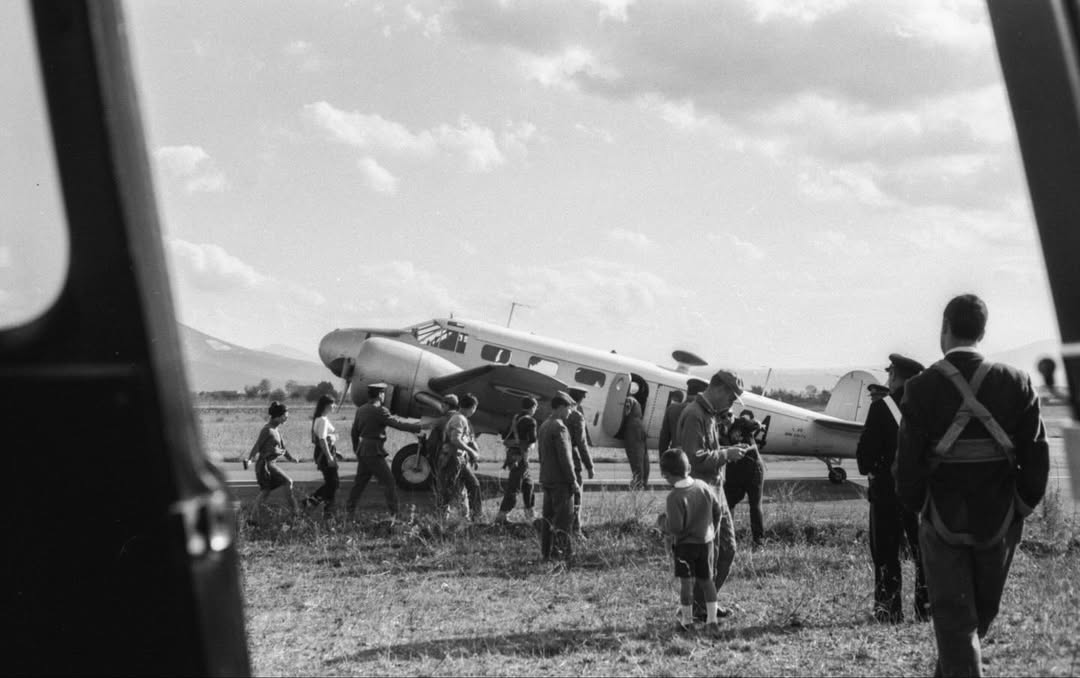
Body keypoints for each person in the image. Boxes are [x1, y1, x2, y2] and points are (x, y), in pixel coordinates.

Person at [895, 294, 1050, 676]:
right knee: (975, 619)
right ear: (983, 331)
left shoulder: (920, 388)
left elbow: (908, 467)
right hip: (1000, 519)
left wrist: (921, 507)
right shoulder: (1017, 382)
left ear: (944, 328)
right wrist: (1021, 507)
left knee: (956, 623)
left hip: (942, 517)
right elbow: (1036, 457)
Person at [856, 354, 929, 623]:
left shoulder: (881, 407)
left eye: (890, 374)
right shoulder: (928, 407)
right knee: (924, 553)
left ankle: (889, 611)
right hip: (920, 492)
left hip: (887, 491)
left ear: (896, 377)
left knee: (886, 552)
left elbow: (864, 458)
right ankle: (927, 609)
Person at [675, 369, 749, 620]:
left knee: (726, 549)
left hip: (716, 490)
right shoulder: (695, 415)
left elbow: (707, 451)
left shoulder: (708, 415)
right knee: (710, 553)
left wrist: (725, 450)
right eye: (731, 396)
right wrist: (726, 455)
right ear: (719, 389)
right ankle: (700, 607)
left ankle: (705, 602)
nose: (731, 403)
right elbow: (694, 459)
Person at [657, 448, 723, 632]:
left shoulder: (674, 497)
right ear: (689, 467)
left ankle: (687, 621)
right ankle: (712, 620)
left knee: (687, 584)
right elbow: (718, 511)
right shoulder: (703, 486)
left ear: (666, 474)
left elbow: (676, 528)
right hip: (706, 542)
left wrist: (663, 523)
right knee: (707, 581)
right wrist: (713, 530)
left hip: (686, 547)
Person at [345, 383, 427, 519]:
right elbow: (398, 425)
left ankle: (350, 511)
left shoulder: (361, 410)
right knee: (389, 482)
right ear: (380, 395)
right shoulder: (380, 411)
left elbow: (354, 432)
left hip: (363, 449)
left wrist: (357, 449)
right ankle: (395, 513)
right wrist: (419, 427)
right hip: (374, 450)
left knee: (360, 483)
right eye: (383, 393)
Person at [537, 393, 579, 563]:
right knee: (563, 520)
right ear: (561, 407)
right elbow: (565, 457)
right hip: (561, 481)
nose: (570, 412)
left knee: (547, 519)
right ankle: (562, 555)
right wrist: (573, 480)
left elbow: (541, 455)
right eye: (569, 408)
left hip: (547, 478)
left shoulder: (544, 425)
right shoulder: (560, 427)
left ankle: (546, 553)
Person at [245, 401, 299, 526]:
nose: (287, 417)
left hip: (271, 464)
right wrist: (249, 459)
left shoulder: (276, 430)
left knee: (266, 491)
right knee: (286, 483)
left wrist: (290, 458)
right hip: (265, 465)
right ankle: (296, 512)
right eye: (285, 415)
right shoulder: (267, 430)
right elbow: (257, 446)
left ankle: (252, 520)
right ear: (278, 416)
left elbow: (282, 448)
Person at [723, 409, 766, 548]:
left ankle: (759, 542)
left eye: (730, 414)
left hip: (753, 468)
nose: (727, 418)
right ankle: (728, 538)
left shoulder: (741, 422)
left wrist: (756, 423)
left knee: (755, 505)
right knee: (727, 503)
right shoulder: (717, 429)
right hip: (734, 470)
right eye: (723, 416)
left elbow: (754, 424)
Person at [439, 393, 484, 522]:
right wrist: (472, 452)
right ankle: (442, 519)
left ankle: (476, 517)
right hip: (452, 459)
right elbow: (455, 440)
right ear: (472, 408)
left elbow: (467, 440)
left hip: (461, 459)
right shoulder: (459, 419)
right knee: (448, 489)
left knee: (474, 484)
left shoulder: (462, 419)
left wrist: (471, 456)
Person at [495, 397, 538, 525]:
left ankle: (530, 514)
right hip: (522, 457)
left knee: (528, 484)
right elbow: (532, 440)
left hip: (512, 455)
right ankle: (502, 516)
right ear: (533, 407)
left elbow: (505, 434)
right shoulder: (530, 421)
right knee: (514, 487)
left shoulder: (515, 418)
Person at [305, 394, 341, 518]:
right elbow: (322, 440)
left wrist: (335, 450)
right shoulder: (323, 420)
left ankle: (327, 511)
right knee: (333, 483)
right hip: (324, 454)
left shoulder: (320, 419)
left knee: (332, 483)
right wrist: (329, 456)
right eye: (332, 404)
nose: (334, 406)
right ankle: (312, 502)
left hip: (325, 452)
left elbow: (323, 439)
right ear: (326, 405)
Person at [566, 388, 595, 537]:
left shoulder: (558, 414)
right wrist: (589, 466)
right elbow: (582, 443)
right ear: (580, 399)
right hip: (571, 457)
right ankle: (576, 530)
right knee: (577, 495)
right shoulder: (576, 416)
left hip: (556, 460)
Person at [658, 378, 708, 456]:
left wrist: (663, 458)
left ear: (687, 392)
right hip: (694, 461)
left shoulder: (672, 409)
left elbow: (664, 438)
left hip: (675, 458)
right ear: (702, 394)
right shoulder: (702, 412)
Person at [622, 396, 649, 489]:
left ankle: (638, 483)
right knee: (643, 457)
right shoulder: (636, 401)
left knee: (635, 456)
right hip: (639, 426)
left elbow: (626, 412)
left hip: (633, 429)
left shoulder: (628, 399)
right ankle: (644, 481)